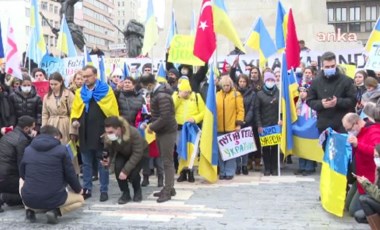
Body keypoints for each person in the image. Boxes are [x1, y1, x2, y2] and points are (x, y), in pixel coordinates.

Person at [70, 65, 119, 202]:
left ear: (95, 76)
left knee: (102, 162)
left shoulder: (106, 90)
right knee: (86, 163)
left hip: (101, 133)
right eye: (83, 76)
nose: (85, 79)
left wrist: (109, 131)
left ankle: (104, 190)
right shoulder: (80, 92)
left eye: (88, 76)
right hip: (84, 132)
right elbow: (76, 110)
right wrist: (75, 120)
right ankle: (87, 189)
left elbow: (113, 112)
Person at [19, 125, 84, 224]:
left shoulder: (28, 149)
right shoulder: (62, 150)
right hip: (55, 197)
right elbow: (70, 174)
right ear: (56, 136)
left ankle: (29, 210)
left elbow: (22, 174)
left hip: (29, 198)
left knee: (21, 180)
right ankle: (55, 212)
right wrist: (79, 190)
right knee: (80, 200)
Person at [139, 73, 177, 203]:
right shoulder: (158, 93)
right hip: (162, 130)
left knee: (167, 162)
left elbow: (165, 117)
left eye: (145, 87)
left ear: (149, 84)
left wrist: (151, 127)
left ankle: (168, 190)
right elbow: (157, 114)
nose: (145, 90)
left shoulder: (161, 95)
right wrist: (149, 122)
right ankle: (169, 187)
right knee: (165, 160)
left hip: (167, 131)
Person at [306, 51, 356, 134]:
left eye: (332, 66)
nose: (330, 69)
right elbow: (309, 100)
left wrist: (338, 101)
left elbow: (353, 100)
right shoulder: (316, 82)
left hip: (342, 124)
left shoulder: (346, 80)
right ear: (322, 67)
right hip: (324, 124)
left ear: (336, 65)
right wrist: (321, 104)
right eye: (327, 67)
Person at [102, 116, 148, 204]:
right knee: (118, 169)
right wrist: (107, 161)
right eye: (107, 132)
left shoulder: (133, 133)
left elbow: (137, 153)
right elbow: (109, 151)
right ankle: (125, 193)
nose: (109, 134)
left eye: (111, 132)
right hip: (123, 152)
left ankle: (137, 191)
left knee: (133, 173)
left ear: (119, 129)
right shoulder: (109, 137)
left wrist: (126, 171)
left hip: (140, 153)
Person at [342, 113, 380, 218]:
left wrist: (358, 144)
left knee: (353, 212)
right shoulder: (359, 132)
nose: (349, 132)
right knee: (347, 206)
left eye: (349, 129)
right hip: (360, 177)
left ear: (357, 123)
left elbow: (376, 151)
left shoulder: (374, 131)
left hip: (370, 180)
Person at [42, 72, 78, 174]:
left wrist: (73, 131)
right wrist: (44, 130)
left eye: (55, 84)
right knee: (51, 150)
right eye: (51, 84)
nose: (53, 86)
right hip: (51, 124)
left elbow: (74, 113)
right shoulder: (47, 97)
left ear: (61, 82)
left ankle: (72, 173)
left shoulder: (69, 94)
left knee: (67, 150)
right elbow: (45, 114)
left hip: (65, 124)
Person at [173, 77, 205, 182]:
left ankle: (191, 171)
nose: (186, 94)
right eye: (184, 92)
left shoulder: (196, 96)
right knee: (181, 150)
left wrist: (195, 119)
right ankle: (182, 171)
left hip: (192, 128)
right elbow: (171, 109)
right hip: (179, 128)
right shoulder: (175, 96)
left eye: (187, 92)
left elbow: (203, 112)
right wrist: (179, 97)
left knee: (193, 151)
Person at [0, 116, 34, 212]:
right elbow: (22, 164)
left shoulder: (7, 135)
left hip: (3, 175)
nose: (33, 130)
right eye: (32, 128)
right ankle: (4, 197)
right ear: (26, 128)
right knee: (33, 194)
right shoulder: (22, 140)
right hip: (9, 178)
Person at [216, 75, 245, 180]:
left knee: (230, 152)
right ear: (221, 86)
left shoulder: (236, 95)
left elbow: (240, 110)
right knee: (220, 152)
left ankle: (229, 171)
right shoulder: (217, 95)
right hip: (219, 128)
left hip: (231, 127)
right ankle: (222, 171)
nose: (226, 87)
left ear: (231, 85)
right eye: (224, 85)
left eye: (228, 85)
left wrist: (238, 124)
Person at [255, 72, 280, 176]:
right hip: (264, 125)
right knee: (265, 148)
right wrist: (259, 125)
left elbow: (282, 107)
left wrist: (281, 119)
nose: (270, 82)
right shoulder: (259, 94)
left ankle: (274, 168)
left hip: (275, 124)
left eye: (272, 80)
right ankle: (267, 168)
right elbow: (257, 111)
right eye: (268, 80)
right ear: (265, 81)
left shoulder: (278, 92)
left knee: (274, 147)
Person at [235, 74, 258, 174]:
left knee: (245, 145)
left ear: (247, 82)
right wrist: (238, 121)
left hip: (247, 122)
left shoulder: (252, 94)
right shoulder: (234, 93)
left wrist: (246, 120)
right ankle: (237, 165)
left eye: (244, 81)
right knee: (236, 145)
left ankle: (244, 165)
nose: (242, 83)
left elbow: (252, 108)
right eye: (240, 81)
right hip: (236, 122)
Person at [356, 144, 380, 229]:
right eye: (374, 156)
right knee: (359, 215)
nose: (375, 159)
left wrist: (366, 184)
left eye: (377, 156)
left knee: (364, 199)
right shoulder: (378, 169)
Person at [294, 84, 317, 176]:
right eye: (301, 92)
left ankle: (309, 167)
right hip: (301, 127)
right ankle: (302, 166)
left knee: (309, 146)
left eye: (304, 91)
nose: (302, 93)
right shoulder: (299, 104)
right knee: (301, 146)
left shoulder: (312, 103)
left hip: (310, 127)